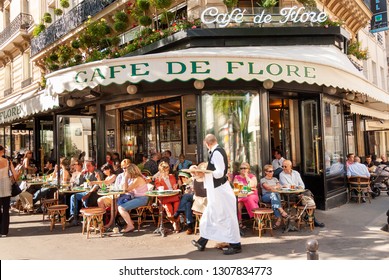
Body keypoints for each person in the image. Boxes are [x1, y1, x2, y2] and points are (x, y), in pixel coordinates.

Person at [191, 134, 241, 255]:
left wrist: (205, 173)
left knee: (225, 216)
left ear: (207, 143)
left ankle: (236, 245)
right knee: (211, 215)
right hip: (217, 189)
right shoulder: (217, 151)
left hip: (220, 190)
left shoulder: (217, 152)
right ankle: (202, 242)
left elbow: (219, 173)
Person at [279, 160, 325, 227]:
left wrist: (296, 188)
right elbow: (287, 186)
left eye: (285, 166)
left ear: (290, 166)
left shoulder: (296, 173)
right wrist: (296, 187)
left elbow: (302, 185)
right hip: (290, 195)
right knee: (307, 198)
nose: (283, 168)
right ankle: (310, 217)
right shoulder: (282, 174)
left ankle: (309, 216)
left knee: (309, 193)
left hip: (300, 192)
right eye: (282, 166)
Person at [67, 160, 103, 226]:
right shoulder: (86, 173)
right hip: (86, 191)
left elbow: (97, 185)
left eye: (88, 166)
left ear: (93, 166)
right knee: (73, 196)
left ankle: (88, 217)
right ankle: (73, 216)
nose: (86, 167)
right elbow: (79, 183)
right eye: (86, 166)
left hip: (94, 193)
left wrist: (89, 193)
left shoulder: (97, 173)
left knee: (86, 198)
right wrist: (80, 175)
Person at [117, 164, 149, 233]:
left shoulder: (137, 179)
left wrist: (125, 178)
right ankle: (130, 222)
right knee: (120, 202)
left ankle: (130, 225)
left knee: (121, 208)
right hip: (139, 198)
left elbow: (126, 190)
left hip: (141, 199)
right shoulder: (137, 178)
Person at [154, 161, 181, 232]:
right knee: (168, 207)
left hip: (173, 195)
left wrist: (175, 186)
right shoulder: (158, 179)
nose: (166, 172)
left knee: (177, 206)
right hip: (165, 197)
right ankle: (175, 223)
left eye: (167, 170)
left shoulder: (172, 176)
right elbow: (158, 188)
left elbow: (175, 186)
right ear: (160, 171)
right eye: (164, 171)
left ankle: (175, 222)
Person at [260, 164, 289, 229]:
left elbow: (278, 187)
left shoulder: (275, 179)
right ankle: (282, 211)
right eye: (270, 171)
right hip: (266, 196)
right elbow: (267, 188)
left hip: (275, 196)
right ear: (266, 172)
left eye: (273, 171)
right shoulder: (263, 180)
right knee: (274, 195)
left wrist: (274, 187)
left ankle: (279, 218)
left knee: (274, 198)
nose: (272, 172)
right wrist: (275, 187)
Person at [233, 162, 258, 228]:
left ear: (248, 169)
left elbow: (253, 185)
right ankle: (257, 218)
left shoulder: (252, 176)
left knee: (247, 199)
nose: (243, 170)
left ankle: (255, 218)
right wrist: (249, 189)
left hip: (252, 195)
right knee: (238, 202)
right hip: (243, 195)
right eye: (241, 168)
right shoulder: (237, 177)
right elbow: (237, 188)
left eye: (245, 168)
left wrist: (246, 176)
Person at [0, 145, 18, 237]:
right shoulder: (7, 161)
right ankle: (4, 231)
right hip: (6, 186)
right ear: (1, 151)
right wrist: (15, 179)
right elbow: (15, 174)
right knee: (6, 209)